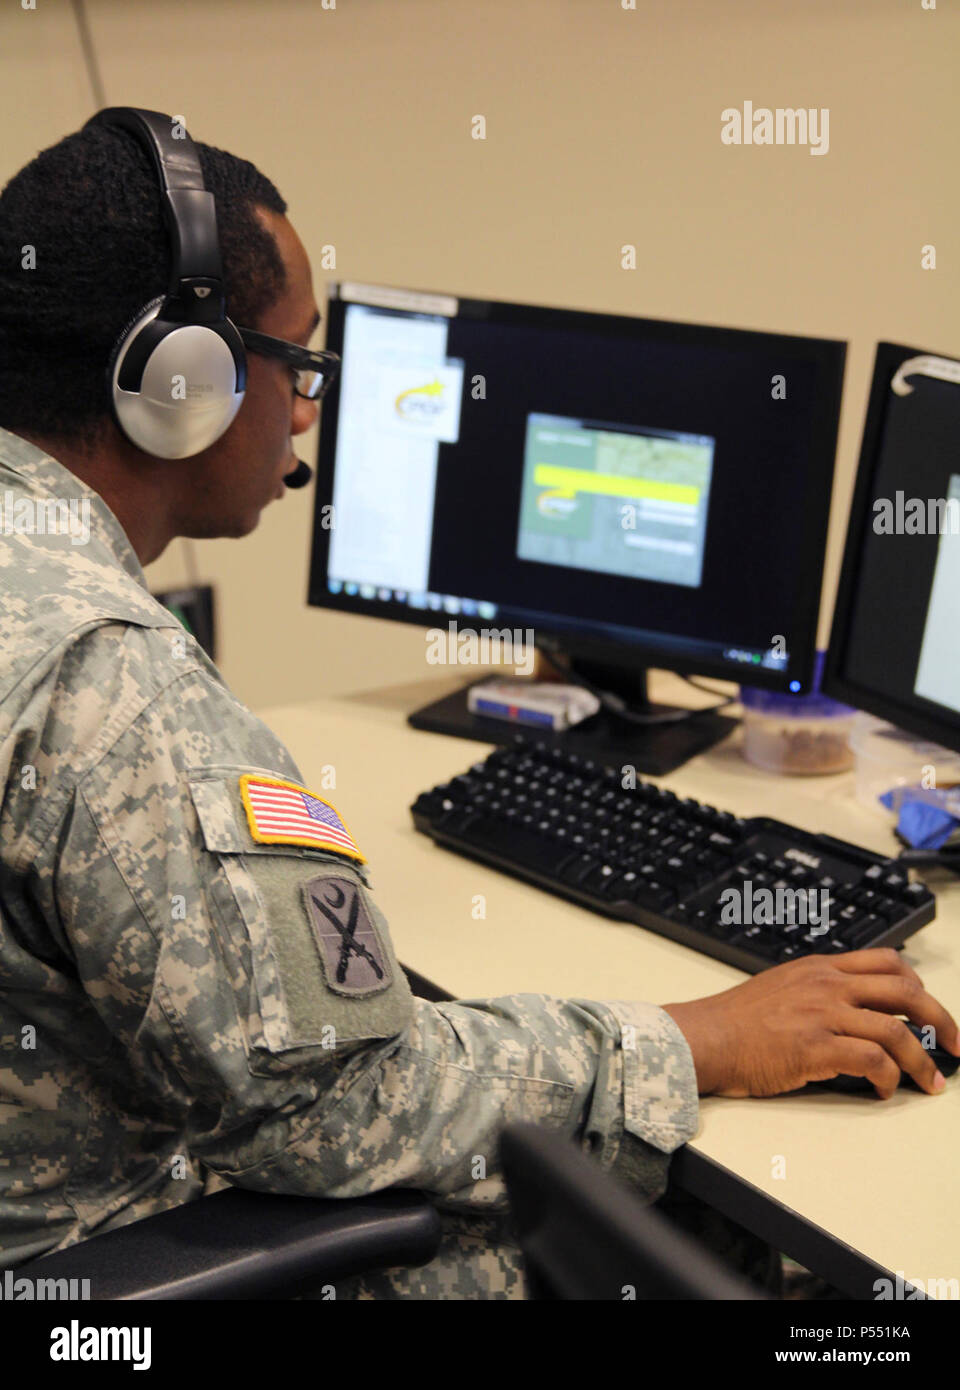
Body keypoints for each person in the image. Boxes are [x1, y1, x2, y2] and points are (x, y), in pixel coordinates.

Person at [0, 116, 956, 1301]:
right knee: (702, 1238)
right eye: (299, 367)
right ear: (179, 381)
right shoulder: (116, 685)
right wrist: (697, 1038)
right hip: (106, 1277)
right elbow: (338, 1106)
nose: (307, 414)